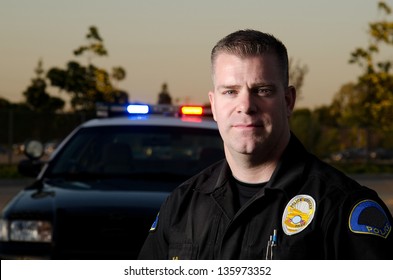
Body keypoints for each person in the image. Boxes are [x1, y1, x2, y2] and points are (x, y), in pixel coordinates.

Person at [138, 29, 393, 259]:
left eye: (262, 90)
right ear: (214, 105)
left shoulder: (341, 207)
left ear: (288, 101)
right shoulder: (182, 205)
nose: (246, 106)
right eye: (230, 91)